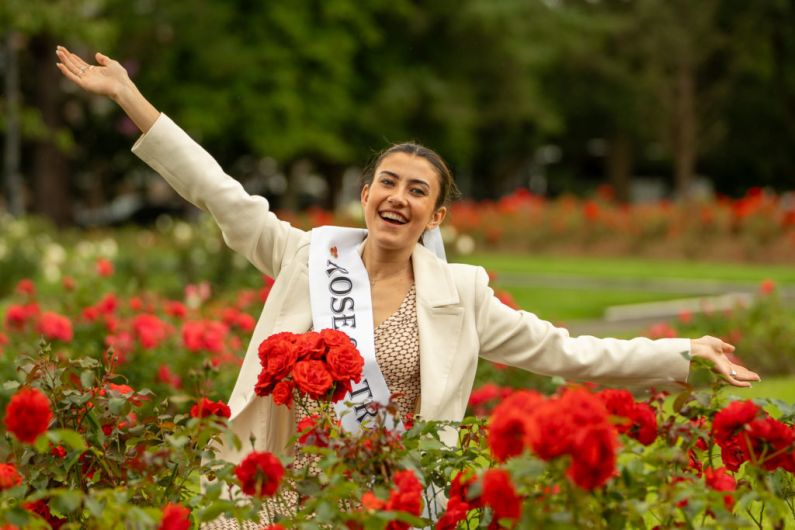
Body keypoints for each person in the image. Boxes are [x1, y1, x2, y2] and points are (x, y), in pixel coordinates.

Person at [56, 45, 760, 524]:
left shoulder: (462, 292)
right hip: (293, 497)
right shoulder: (307, 257)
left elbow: (569, 354)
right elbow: (219, 193)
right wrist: (129, 97)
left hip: (398, 504)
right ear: (365, 195)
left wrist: (683, 352)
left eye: (416, 190)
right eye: (386, 182)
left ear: (435, 214)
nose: (398, 197)